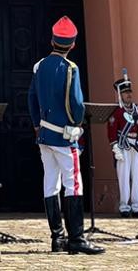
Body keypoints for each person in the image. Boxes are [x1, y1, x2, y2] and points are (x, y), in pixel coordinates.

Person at [28, 16, 103, 255]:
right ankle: (77, 238)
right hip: (63, 136)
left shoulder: (39, 66)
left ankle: (57, 238)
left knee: (50, 183)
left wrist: (37, 125)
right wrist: (76, 124)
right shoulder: (71, 68)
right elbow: (77, 104)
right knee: (73, 184)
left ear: (52, 40)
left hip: (44, 136)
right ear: (72, 44)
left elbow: (31, 98)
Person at [108, 72, 138, 217]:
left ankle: (137, 207)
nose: (129, 95)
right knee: (123, 176)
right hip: (123, 145)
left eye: (129, 91)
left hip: (136, 144)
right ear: (120, 95)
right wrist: (115, 146)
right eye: (125, 92)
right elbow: (111, 130)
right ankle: (124, 207)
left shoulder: (137, 109)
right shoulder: (116, 111)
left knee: (136, 175)